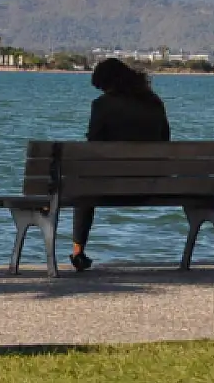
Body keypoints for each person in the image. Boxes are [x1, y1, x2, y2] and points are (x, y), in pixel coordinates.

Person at [71, 57, 170, 271]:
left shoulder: (102, 105)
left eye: (103, 87)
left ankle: (78, 251)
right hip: (151, 185)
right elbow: (165, 142)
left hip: (111, 187)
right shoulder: (154, 103)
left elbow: (93, 146)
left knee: (82, 186)